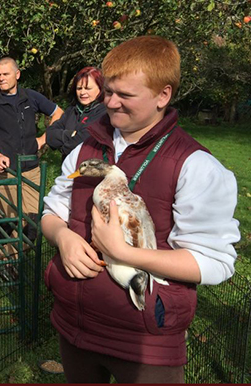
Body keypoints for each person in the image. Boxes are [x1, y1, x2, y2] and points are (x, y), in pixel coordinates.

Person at [42, 35, 240, 383]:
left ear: (163, 95)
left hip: (146, 342)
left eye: (126, 95)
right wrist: (62, 237)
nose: (112, 103)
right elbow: (51, 210)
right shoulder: (85, 150)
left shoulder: (195, 166)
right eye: (109, 92)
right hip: (75, 327)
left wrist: (121, 252)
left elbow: (214, 261)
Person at [0, 57, 63, 261]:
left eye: (5, 74)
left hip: (31, 169)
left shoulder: (30, 97)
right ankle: (8, 263)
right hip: (4, 172)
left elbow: (58, 113)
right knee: (9, 220)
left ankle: (5, 259)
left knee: (33, 222)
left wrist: (43, 139)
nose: (1, 79)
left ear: (17, 75)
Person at [44, 66, 107, 159]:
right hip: (68, 170)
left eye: (88, 88)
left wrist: (64, 148)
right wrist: (71, 134)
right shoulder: (72, 110)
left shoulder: (104, 112)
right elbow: (50, 134)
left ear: (100, 88)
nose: (82, 92)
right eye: (79, 88)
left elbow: (86, 138)